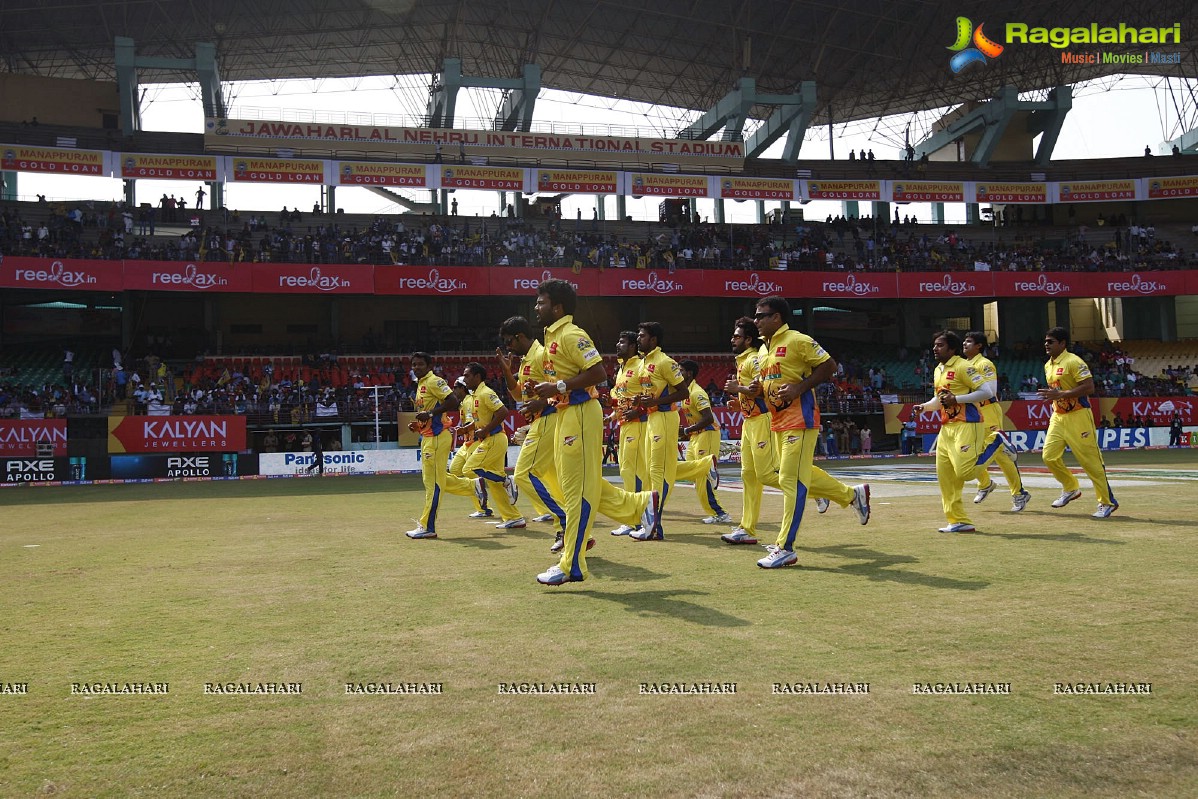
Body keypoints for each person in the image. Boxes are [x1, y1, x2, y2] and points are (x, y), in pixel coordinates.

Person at [531, 279, 658, 585]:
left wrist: (558, 386)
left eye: (541, 302)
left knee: (577, 492)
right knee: (578, 484)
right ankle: (642, 505)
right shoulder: (551, 338)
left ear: (557, 307)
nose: (536, 307)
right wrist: (546, 395)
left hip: (581, 414)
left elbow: (598, 372)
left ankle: (572, 564)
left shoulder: (572, 335)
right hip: (565, 413)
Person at [751, 297, 869, 568]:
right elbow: (768, 382)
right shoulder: (763, 350)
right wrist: (753, 391)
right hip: (778, 420)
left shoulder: (797, 340)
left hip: (800, 419)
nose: (756, 320)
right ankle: (852, 495)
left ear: (777, 317)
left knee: (791, 481)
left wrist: (799, 388)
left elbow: (829, 366)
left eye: (761, 315)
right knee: (788, 475)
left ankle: (785, 547)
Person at [497, 316, 570, 549]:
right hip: (539, 421)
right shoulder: (526, 359)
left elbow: (560, 387)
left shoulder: (541, 355)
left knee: (523, 475)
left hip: (548, 419)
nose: (508, 347)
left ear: (519, 336)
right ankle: (569, 529)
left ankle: (566, 521)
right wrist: (508, 372)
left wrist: (544, 404)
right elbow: (519, 396)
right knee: (551, 479)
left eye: (509, 341)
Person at [912, 331, 991, 534]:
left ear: (952, 349)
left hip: (968, 423)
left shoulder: (965, 366)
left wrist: (957, 399)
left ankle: (997, 443)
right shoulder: (939, 370)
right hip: (947, 427)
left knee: (964, 472)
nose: (934, 349)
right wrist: (925, 407)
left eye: (939, 345)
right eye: (934, 345)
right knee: (946, 477)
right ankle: (959, 521)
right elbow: (939, 400)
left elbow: (987, 392)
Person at [405, 351, 489, 539]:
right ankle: (474, 486)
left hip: (436, 438)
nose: (416, 367)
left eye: (420, 364)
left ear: (429, 367)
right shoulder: (421, 384)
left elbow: (452, 401)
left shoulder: (434, 381)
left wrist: (430, 414)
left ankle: (428, 526)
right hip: (429, 436)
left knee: (432, 483)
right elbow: (431, 414)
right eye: (414, 364)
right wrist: (419, 426)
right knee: (438, 478)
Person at [1038, 328, 1118, 518]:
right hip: (1058, 417)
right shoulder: (1048, 365)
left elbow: (1089, 387)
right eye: (1046, 341)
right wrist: (1055, 397)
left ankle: (1107, 502)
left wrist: (1061, 395)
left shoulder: (1074, 361)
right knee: (1048, 457)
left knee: (1090, 462)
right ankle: (1070, 488)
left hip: (1079, 416)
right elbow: (1057, 390)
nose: (1046, 344)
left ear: (1063, 343)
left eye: (1051, 341)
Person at [626, 321, 692, 541]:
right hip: (652, 417)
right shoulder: (644, 363)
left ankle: (655, 526)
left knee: (657, 471)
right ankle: (651, 524)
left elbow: (683, 392)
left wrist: (657, 400)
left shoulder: (665, 362)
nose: (638, 339)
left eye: (642, 335)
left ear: (653, 340)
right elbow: (650, 392)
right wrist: (641, 401)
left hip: (664, 417)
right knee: (648, 471)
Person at [962, 331, 1030, 512]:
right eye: (964, 341)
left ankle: (1019, 493)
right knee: (968, 451)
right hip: (971, 412)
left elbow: (991, 391)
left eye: (969, 342)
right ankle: (985, 484)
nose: (964, 344)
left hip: (988, 409)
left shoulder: (985, 364)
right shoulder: (963, 365)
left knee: (1000, 454)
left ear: (979, 346)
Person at [460, 362, 522, 528]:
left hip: (494, 438)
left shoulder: (486, 393)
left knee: (469, 469)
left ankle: (506, 480)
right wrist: (468, 428)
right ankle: (513, 518)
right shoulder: (474, 396)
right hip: (490, 439)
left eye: (467, 375)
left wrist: (485, 429)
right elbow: (480, 420)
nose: (464, 379)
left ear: (477, 377)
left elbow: (503, 412)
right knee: (494, 484)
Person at [674, 359, 728, 525]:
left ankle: (720, 513)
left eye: (680, 371)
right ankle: (708, 469)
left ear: (689, 373)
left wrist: (686, 430)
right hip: (695, 436)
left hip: (708, 434)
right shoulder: (685, 392)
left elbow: (709, 418)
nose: (678, 374)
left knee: (702, 477)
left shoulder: (697, 393)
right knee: (693, 473)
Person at [608, 330, 649, 536]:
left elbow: (651, 393)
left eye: (622, 342)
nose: (617, 345)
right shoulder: (621, 369)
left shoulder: (640, 366)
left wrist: (639, 411)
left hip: (640, 424)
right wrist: (613, 416)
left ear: (632, 346)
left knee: (634, 471)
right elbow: (622, 399)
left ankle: (639, 518)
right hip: (625, 424)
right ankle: (635, 518)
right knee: (627, 470)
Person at [447, 377, 491, 519]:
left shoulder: (469, 401)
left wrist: (461, 430)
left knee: (470, 472)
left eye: (456, 387)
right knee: (454, 470)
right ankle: (481, 501)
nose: (454, 390)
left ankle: (483, 507)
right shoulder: (462, 403)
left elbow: (474, 422)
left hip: (474, 441)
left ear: (463, 388)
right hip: (466, 443)